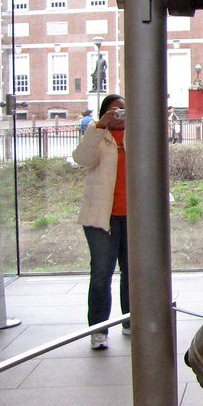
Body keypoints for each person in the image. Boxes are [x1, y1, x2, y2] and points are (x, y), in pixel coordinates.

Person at [72, 94, 130, 350]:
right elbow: (82, 159)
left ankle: (131, 322)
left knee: (133, 274)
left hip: (132, 217)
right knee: (101, 275)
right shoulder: (98, 137)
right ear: (105, 113)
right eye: (115, 111)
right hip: (101, 217)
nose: (119, 115)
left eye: (125, 111)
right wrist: (99, 127)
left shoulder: (135, 135)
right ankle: (98, 330)